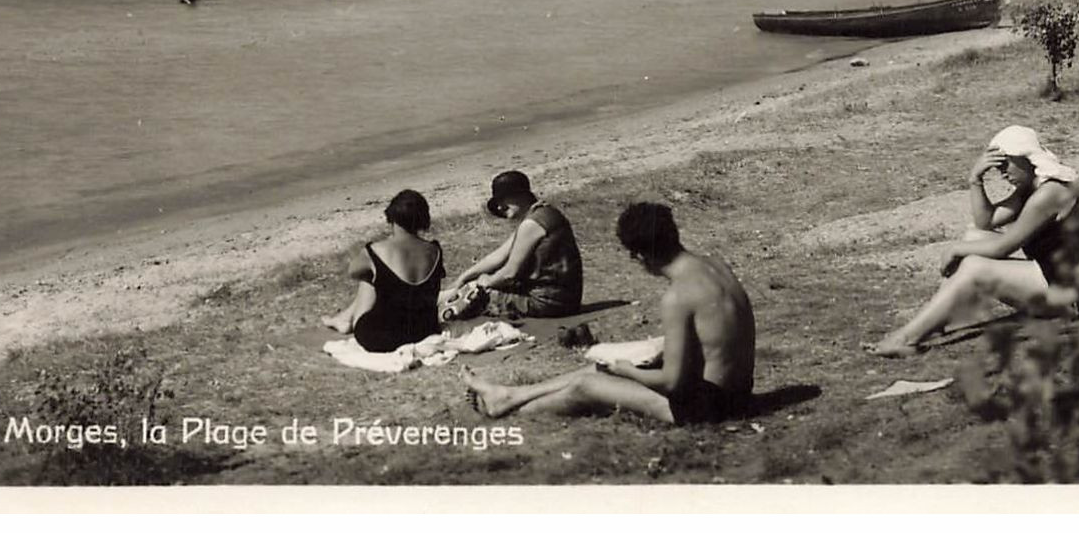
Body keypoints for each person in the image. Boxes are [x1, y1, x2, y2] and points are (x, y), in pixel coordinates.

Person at [463, 201, 756, 425]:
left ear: (639, 255)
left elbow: (672, 383)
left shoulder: (678, 296)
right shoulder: (715, 265)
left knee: (586, 386)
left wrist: (625, 369)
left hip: (711, 406)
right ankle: (508, 396)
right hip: (738, 391)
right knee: (600, 368)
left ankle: (512, 409)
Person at [869, 125, 1079, 358]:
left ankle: (907, 340)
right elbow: (986, 222)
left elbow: (1004, 247)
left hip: (1078, 297)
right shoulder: (1038, 185)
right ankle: (937, 320)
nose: (1003, 173)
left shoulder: (1050, 193)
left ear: (1026, 158)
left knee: (975, 266)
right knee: (973, 236)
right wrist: (975, 180)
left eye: (1006, 165)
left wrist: (955, 249)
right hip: (1058, 278)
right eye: (998, 167)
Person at [321, 189, 445, 352]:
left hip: (379, 337)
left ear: (391, 219)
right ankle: (343, 318)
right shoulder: (435, 250)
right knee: (380, 274)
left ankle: (344, 319)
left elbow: (353, 272)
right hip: (424, 331)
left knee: (371, 274)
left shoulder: (377, 250)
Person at [446, 170, 582, 318]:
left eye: (503, 200)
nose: (499, 207)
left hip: (548, 303)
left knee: (470, 297)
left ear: (520, 196)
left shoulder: (532, 223)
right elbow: (499, 256)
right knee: (470, 287)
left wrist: (486, 282)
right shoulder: (542, 214)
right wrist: (464, 277)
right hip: (563, 299)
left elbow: (510, 273)